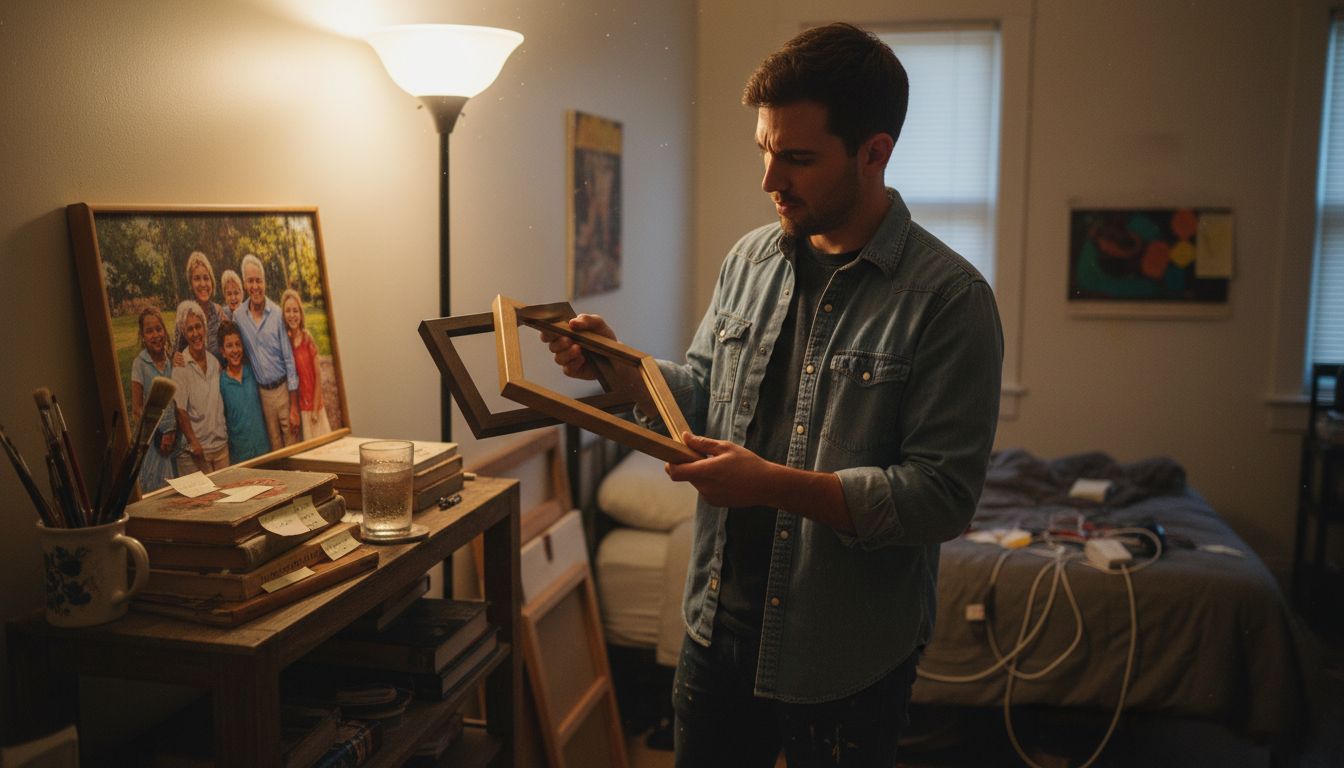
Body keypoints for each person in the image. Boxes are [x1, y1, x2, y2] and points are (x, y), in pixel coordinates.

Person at [544, 23, 1003, 767]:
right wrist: (619, 370)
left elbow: (942, 497)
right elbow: (701, 391)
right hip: (712, 629)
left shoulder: (949, 300)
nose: (769, 180)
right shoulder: (749, 260)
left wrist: (771, 486)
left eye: (796, 158)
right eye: (764, 149)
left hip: (844, 662)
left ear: (874, 152)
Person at [233, 253, 300, 449]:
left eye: (259, 281)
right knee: (275, 445)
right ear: (245, 284)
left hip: (283, 390)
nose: (255, 286)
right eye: (251, 281)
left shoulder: (277, 313)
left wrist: (294, 406)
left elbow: (289, 360)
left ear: (265, 282)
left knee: (292, 442)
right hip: (262, 392)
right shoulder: (239, 317)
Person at [171, 301, 230, 474]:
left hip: (221, 446)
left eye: (199, 327)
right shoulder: (181, 366)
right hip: (200, 451)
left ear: (205, 328)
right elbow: (180, 410)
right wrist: (193, 442)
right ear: (184, 332)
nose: (196, 333)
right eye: (190, 329)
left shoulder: (214, 362)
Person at [129, 307, 178, 491]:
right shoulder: (140, 365)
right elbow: (137, 409)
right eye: (149, 331)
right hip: (152, 442)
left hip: (173, 439)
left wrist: (172, 433)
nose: (155, 335)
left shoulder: (172, 361)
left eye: (159, 329)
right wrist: (157, 436)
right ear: (142, 336)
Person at [281, 288, 332, 441]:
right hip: (302, 408)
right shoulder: (286, 344)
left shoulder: (307, 339)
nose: (292, 315)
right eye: (288, 311)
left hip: (315, 407)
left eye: (295, 311)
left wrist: (316, 408)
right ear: (283, 314)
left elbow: (317, 376)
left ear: (301, 314)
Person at [217, 320, 270, 463]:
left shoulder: (253, 372)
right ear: (222, 352)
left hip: (264, 450)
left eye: (238, 344)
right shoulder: (221, 382)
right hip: (240, 456)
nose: (235, 350)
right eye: (229, 346)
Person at [175, 251, 225, 360]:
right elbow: (177, 355)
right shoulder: (184, 316)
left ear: (211, 281)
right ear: (190, 284)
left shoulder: (218, 312)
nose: (203, 284)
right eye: (197, 279)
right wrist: (175, 358)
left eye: (206, 278)